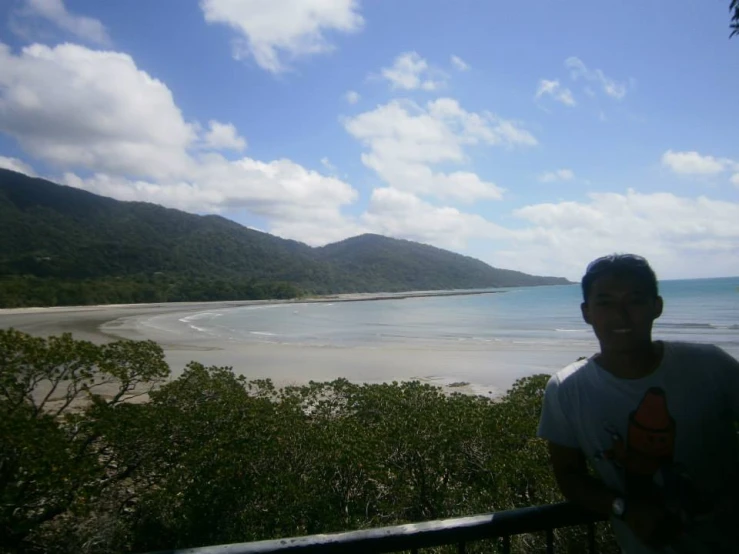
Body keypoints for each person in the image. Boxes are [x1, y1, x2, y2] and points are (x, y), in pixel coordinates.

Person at [537, 254, 739, 553]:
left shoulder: (711, 365)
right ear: (586, 312)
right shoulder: (566, 389)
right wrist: (623, 508)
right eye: (605, 303)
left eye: (635, 301)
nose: (621, 315)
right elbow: (569, 475)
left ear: (656, 307)